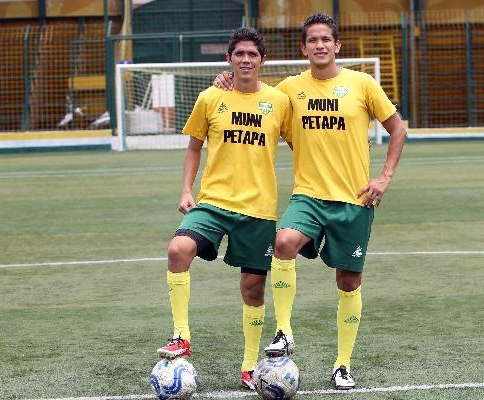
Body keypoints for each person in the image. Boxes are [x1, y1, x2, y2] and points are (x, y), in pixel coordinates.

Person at [214, 13, 407, 390]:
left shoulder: (362, 84)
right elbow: (255, 100)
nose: (320, 45)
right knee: (283, 242)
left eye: (326, 39)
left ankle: (342, 364)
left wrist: (383, 178)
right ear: (303, 48)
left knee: (349, 282)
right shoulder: (288, 90)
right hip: (308, 195)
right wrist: (226, 81)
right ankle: (284, 331)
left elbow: (398, 128)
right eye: (312, 40)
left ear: (337, 45)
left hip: (354, 201)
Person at [156, 27, 292, 390]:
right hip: (214, 202)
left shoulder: (279, 101)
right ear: (229, 59)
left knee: (252, 289)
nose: (245, 59)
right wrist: (186, 189)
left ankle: (249, 367)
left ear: (262, 59)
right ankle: (181, 335)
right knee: (178, 249)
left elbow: (303, 142)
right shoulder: (211, 97)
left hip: (258, 209)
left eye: (252, 54)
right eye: (239, 54)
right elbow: (193, 146)